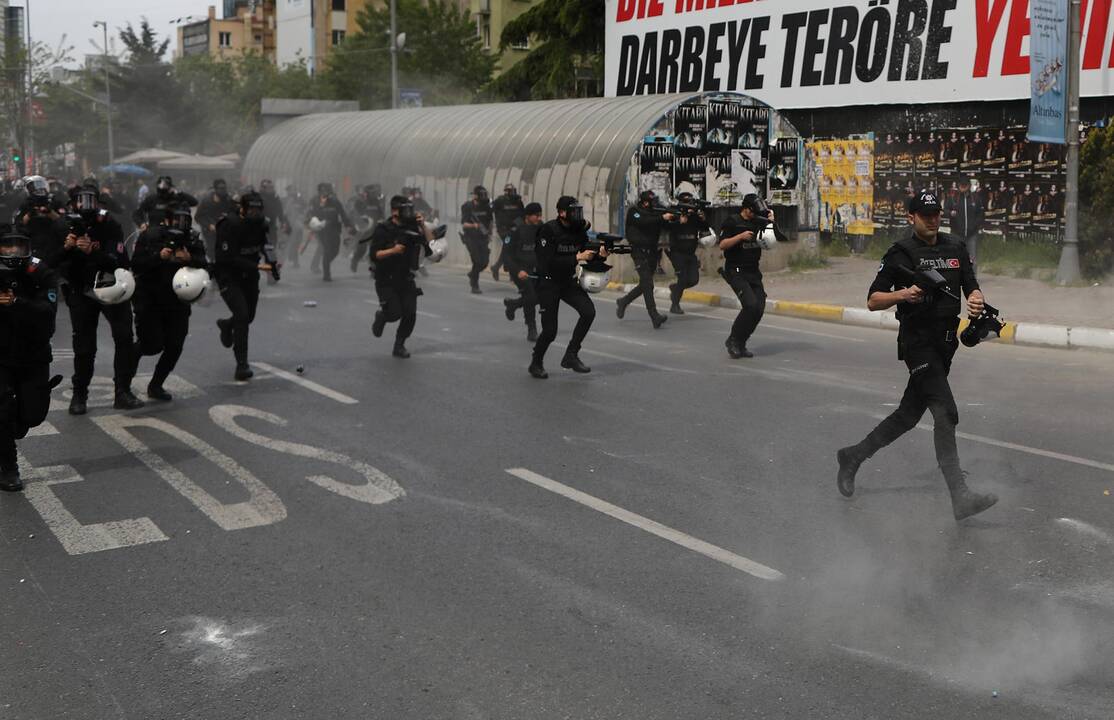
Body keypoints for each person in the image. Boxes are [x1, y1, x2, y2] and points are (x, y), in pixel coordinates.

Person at [836, 191, 998, 521]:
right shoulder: (901, 254)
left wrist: (977, 299)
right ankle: (960, 497)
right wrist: (904, 294)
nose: (933, 219)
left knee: (908, 415)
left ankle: (853, 456)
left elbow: (971, 284)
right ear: (911, 218)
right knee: (945, 413)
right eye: (925, 215)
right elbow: (872, 300)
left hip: (945, 344)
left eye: (936, 213)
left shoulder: (955, 246)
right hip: (917, 343)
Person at [61, 187, 144, 414]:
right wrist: (66, 248)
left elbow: (117, 261)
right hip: (81, 289)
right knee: (85, 346)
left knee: (124, 337)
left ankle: (122, 391)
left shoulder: (108, 224)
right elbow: (52, 262)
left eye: (90, 200)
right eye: (80, 201)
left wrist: (91, 252)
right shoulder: (64, 225)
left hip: (110, 286)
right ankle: (79, 395)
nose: (85, 205)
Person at [0, 227, 61, 492]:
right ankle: (8, 468)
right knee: (1, 412)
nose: (13, 253)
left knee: (32, 415)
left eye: (19, 247)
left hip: (33, 354)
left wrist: (16, 303)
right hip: (0, 356)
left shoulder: (41, 273)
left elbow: (47, 314)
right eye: (7, 248)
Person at [130, 209, 208, 401]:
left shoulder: (193, 240)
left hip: (177, 302)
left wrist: (190, 259)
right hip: (150, 299)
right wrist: (160, 256)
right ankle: (123, 383)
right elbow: (136, 264)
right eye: (176, 220)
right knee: (151, 344)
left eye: (185, 220)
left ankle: (156, 385)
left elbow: (205, 265)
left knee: (175, 345)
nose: (180, 224)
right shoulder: (150, 236)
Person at [529, 197, 604, 379]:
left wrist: (600, 255)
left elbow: (587, 254)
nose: (577, 215)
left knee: (588, 312)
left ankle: (571, 354)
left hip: (567, 281)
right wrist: (576, 258)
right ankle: (536, 362)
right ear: (562, 213)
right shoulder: (548, 230)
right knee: (550, 331)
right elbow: (546, 262)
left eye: (579, 211)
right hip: (548, 282)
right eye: (573, 211)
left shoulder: (578, 231)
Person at [215, 192, 279, 381]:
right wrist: (258, 266)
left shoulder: (261, 224)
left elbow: (266, 246)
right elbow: (228, 258)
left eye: (258, 209)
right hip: (229, 276)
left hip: (249, 276)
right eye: (251, 209)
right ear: (242, 208)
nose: (254, 212)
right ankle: (242, 364)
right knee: (242, 316)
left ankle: (227, 325)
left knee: (248, 316)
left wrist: (273, 266)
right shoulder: (229, 225)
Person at [368, 196, 432, 358]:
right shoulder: (383, 229)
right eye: (406, 209)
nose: (409, 213)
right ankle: (382, 316)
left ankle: (399, 345)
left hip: (406, 278)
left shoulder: (412, 226)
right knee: (395, 313)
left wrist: (422, 224)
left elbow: (430, 242)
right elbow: (374, 255)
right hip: (386, 279)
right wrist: (393, 251)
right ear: (395, 211)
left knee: (410, 313)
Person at [718, 194, 780, 359]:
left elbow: (775, 239)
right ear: (745, 209)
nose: (755, 215)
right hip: (736, 271)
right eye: (753, 212)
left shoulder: (759, 221)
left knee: (759, 308)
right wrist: (739, 237)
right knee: (750, 305)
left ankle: (741, 342)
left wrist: (771, 222)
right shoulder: (732, 221)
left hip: (753, 271)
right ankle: (733, 340)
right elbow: (722, 245)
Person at [616, 191, 673, 328]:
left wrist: (675, 219)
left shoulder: (656, 214)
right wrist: (662, 217)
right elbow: (644, 222)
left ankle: (624, 301)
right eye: (652, 202)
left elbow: (667, 227)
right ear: (645, 202)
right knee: (648, 283)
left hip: (652, 253)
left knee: (645, 284)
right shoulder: (634, 212)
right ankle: (654, 316)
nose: (654, 205)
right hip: (639, 252)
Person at [502, 201, 543, 342]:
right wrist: (517, 270)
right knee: (530, 294)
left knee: (542, 295)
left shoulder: (540, 228)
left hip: (534, 269)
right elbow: (506, 255)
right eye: (536, 215)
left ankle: (513, 304)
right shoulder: (516, 230)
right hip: (519, 269)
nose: (539, 218)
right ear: (528, 216)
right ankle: (532, 329)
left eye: (540, 215)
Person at [666, 192, 708, 315]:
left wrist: (702, 218)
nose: (689, 206)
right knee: (683, 279)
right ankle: (675, 304)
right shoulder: (674, 214)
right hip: (677, 253)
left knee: (693, 280)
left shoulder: (694, 216)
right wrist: (679, 221)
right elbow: (665, 227)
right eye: (686, 202)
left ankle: (675, 288)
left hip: (690, 253)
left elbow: (705, 228)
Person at [303, 182, 354, 281]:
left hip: (334, 229)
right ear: (319, 191)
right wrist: (311, 223)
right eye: (323, 190)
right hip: (322, 230)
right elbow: (309, 214)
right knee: (326, 249)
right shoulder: (314, 201)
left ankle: (325, 263)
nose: (326, 192)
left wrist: (349, 225)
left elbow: (343, 214)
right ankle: (327, 274)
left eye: (328, 190)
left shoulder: (335, 201)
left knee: (335, 251)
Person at [460, 186, 494, 293]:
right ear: (475, 196)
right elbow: (464, 224)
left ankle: (472, 274)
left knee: (484, 262)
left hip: (483, 238)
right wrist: (474, 225)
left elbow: (490, 221)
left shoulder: (486, 206)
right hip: (471, 238)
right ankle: (475, 285)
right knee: (477, 260)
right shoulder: (467, 206)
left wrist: (489, 233)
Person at [196, 178, 238, 261]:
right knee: (212, 250)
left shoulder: (229, 200)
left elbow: (235, 214)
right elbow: (198, 216)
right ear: (215, 189)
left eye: (225, 188)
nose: (223, 190)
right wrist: (209, 225)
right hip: (211, 232)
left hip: (226, 230)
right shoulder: (207, 201)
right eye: (221, 188)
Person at [133, 176, 198, 229]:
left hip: (175, 231)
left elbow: (194, 202)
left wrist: (180, 193)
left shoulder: (177, 197)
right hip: (154, 232)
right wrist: (142, 224)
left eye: (166, 187)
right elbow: (137, 214)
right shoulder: (151, 199)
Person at [490, 183, 524, 281]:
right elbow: (491, 210)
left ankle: (498, 267)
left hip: (515, 229)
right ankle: (509, 271)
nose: (509, 193)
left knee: (509, 249)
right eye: (508, 191)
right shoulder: (500, 201)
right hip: (504, 230)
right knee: (508, 247)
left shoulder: (518, 201)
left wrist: (518, 226)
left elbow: (522, 215)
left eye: (511, 191)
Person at [947, 177, 985, 264]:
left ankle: (972, 277)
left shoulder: (975, 198)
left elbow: (981, 214)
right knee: (955, 258)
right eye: (961, 185)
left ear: (969, 186)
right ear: (958, 185)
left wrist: (974, 225)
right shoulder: (952, 198)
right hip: (956, 233)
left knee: (972, 258)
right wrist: (950, 212)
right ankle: (957, 277)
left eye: (965, 185)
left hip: (972, 234)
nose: (963, 187)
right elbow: (944, 210)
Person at [349, 184, 385, 273]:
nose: (374, 194)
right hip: (364, 230)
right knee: (362, 250)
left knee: (374, 250)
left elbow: (381, 215)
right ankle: (355, 260)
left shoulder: (377, 202)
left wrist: (382, 222)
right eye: (372, 192)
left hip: (375, 230)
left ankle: (373, 269)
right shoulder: (361, 202)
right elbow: (354, 214)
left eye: (374, 192)